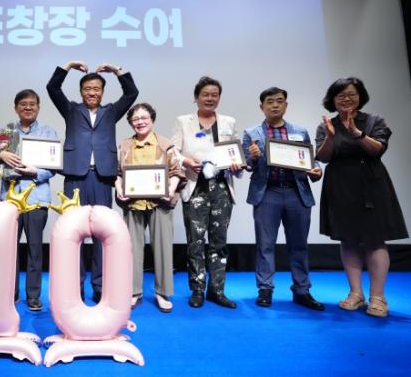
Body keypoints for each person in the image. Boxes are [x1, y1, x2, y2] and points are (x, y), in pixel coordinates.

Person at [46, 60, 138, 303]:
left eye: (97, 89)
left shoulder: (111, 112)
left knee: (100, 234)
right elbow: (53, 88)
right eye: (87, 89)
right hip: (75, 177)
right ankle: (74, 286)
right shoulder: (71, 110)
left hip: (102, 178)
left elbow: (131, 93)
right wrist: (67, 66)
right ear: (81, 92)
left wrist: (117, 70)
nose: (92, 93)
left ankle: (99, 286)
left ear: (102, 92)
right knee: (73, 233)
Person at [315, 77, 407, 318]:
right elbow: (323, 157)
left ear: (360, 97)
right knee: (348, 239)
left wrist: (356, 133)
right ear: (333, 99)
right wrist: (330, 137)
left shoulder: (374, 121)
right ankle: (356, 293)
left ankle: (378, 297)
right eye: (341, 95)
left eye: (351, 94)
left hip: (371, 184)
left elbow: (378, 149)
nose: (346, 99)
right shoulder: (327, 125)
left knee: (375, 239)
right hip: (339, 185)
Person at [242, 87, 324, 310]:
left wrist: (316, 170)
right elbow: (246, 164)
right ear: (262, 107)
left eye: (280, 101)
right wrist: (252, 157)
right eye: (270, 101)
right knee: (265, 245)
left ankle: (302, 290)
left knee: (299, 245)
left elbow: (311, 160)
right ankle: (265, 289)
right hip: (267, 193)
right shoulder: (251, 133)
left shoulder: (299, 131)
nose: (275, 105)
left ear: (286, 105)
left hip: (297, 192)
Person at [171, 76, 241, 309]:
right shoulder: (183, 122)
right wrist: (186, 161)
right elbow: (173, 151)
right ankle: (197, 289)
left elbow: (235, 153)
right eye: (205, 94)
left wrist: (237, 164)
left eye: (214, 95)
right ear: (196, 97)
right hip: (196, 186)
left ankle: (217, 290)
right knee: (196, 242)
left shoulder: (229, 122)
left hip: (221, 187)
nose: (210, 98)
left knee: (219, 241)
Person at [115, 103, 183, 313]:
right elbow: (118, 173)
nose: (140, 122)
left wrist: (170, 190)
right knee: (131, 249)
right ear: (130, 123)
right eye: (135, 119)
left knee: (163, 248)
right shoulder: (125, 145)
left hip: (159, 203)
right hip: (133, 204)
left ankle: (162, 293)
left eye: (144, 118)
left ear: (152, 120)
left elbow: (176, 172)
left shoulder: (165, 144)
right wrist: (119, 189)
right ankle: (133, 292)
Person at [0, 89, 58, 312]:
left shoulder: (48, 132)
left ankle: (33, 296)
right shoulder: (6, 132)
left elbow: (54, 167)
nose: (28, 107)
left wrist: (36, 172)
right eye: (23, 104)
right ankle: (9, 294)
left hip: (36, 198)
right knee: (9, 249)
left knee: (35, 250)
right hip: (10, 199)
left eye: (32, 104)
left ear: (38, 107)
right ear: (16, 108)